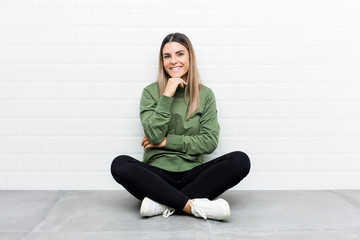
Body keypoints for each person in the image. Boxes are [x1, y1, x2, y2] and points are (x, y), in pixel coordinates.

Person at [110, 32, 250, 221]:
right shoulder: (150, 93)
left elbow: (209, 142)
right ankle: (191, 205)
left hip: (194, 174)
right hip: (157, 176)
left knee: (240, 160)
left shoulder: (205, 95)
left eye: (180, 54)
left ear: (190, 56)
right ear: (162, 61)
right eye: (167, 56)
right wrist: (167, 94)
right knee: (120, 165)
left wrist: (165, 143)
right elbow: (153, 135)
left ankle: (162, 202)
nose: (173, 61)